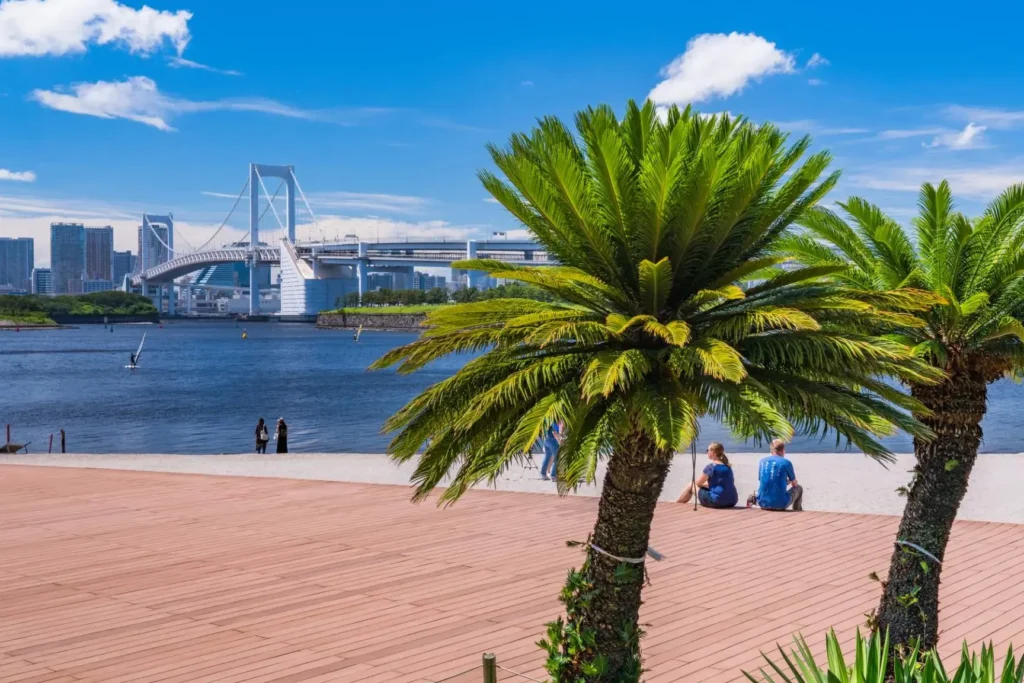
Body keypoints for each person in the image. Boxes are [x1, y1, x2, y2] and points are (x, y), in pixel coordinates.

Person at [676, 442, 738, 508]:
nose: (707, 452)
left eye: (707, 450)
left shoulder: (711, 467)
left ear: (713, 452)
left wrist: (701, 485)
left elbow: (698, 483)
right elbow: (721, 483)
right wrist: (705, 485)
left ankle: (676, 505)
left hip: (717, 502)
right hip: (732, 501)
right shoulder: (727, 466)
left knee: (691, 485)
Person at [748, 439, 803, 511]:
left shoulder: (762, 461)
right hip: (781, 504)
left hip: (763, 503)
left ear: (771, 450)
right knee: (799, 488)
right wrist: (790, 482)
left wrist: (785, 482)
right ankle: (797, 510)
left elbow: (766, 480)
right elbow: (794, 484)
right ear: (782, 451)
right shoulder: (786, 462)